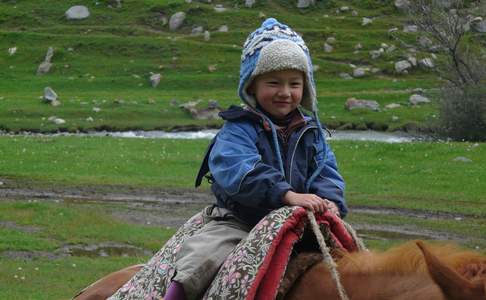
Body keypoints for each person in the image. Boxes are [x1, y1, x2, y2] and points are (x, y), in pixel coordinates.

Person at [164, 17, 347, 300]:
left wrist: (331, 201)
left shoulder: (312, 132)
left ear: (305, 88)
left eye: (294, 83)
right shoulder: (239, 127)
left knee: (359, 265)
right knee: (199, 259)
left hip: (302, 225)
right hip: (240, 221)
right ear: (252, 86)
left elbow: (326, 171)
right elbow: (239, 168)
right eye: (273, 82)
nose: (285, 92)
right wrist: (287, 194)